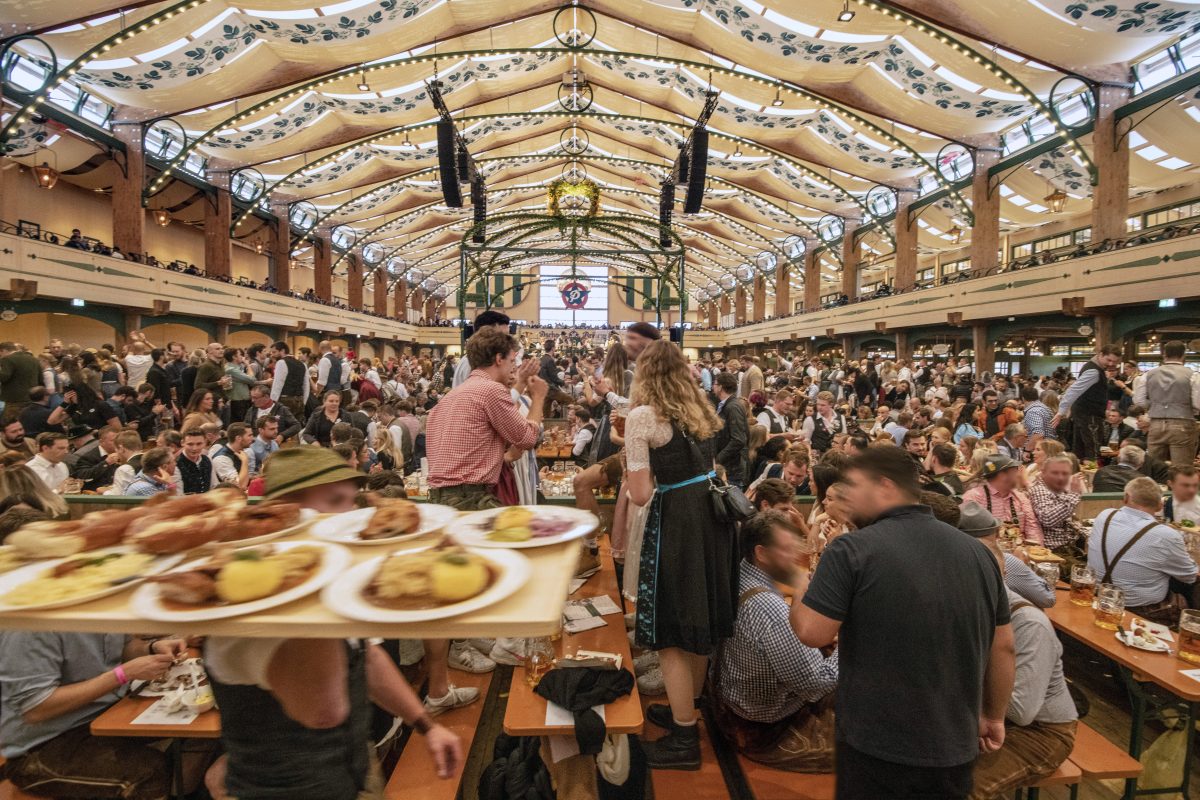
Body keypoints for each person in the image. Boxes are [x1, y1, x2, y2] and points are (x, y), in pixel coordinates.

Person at [204, 447, 463, 800]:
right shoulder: (253, 602)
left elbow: (366, 658)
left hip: (351, 771)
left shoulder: (323, 584)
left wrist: (425, 725)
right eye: (338, 499)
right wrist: (325, 583)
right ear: (290, 511)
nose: (354, 514)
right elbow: (323, 711)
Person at [791, 447, 1014, 799]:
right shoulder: (980, 555)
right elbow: (1004, 646)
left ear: (884, 486)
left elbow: (810, 631)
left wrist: (800, 578)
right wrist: (994, 715)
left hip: (876, 740)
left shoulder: (851, 550)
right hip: (954, 739)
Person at [626, 339, 737, 770]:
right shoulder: (701, 409)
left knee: (672, 627)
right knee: (701, 615)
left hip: (678, 520)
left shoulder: (643, 416)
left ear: (644, 374)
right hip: (713, 516)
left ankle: (685, 739)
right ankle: (684, 708)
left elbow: (639, 495)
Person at [711, 510, 837, 772]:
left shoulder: (739, 571)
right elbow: (816, 684)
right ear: (761, 553)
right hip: (766, 727)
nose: (795, 557)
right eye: (787, 549)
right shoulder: (769, 610)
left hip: (731, 703)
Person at [0, 631, 189, 800]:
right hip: (40, 748)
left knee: (188, 728)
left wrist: (151, 648)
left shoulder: (99, 609)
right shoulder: (30, 629)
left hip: (99, 717)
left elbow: (121, 650)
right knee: (148, 771)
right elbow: (36, 708)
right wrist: (123, 674)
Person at [965, 528, 1077, 799]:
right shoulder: (968, 609)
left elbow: (1021, 710)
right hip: (983, 721)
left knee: (958, 787)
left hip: (1040, 733)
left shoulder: (1028, 623)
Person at [426, 329, 546, 510]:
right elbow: (527, 439)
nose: (514, 368)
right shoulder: (491, 390)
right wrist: (538, 398)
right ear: (499, 359)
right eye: (512, 361)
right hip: (469, 498)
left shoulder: (448, 399)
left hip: (439, 498)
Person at [1087, 476, 1199, 625]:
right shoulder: (1166, 535)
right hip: (1141, 609)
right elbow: (1190, 576)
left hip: (1097, 595)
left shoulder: (1104, 516)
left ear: (1126, 498)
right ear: (1160, 506)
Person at [956, 503, 1055, 608]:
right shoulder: (1007, 561)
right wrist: (1024, 566)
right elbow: (1048, 600)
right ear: (998, 533)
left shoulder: (948, 561)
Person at [1053, 344, 1124, 460]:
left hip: (1084, 416)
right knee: (1093, 453)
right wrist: (1061, 411)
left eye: (1115, 362)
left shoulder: (1094, 368)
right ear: (1100, 355)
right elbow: (1073, 390)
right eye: (1109, 360)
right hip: (1090, 418)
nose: (1111, 364)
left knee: (1081, 453)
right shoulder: (1094, 371)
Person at [962, 455, 1044, 545]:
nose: (1019, 475)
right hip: (987, 552)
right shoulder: (973, 498)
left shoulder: (1021, 498)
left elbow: (1032, 528)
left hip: (1018, 551)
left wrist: (1037, 551)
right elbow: (966, 533)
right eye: (1015, 471)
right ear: (1003, 475)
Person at [1028, 456, 1087, 558]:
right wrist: (1074, 494)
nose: (1060, 477)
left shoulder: (1058, 487)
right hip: (1053, 551)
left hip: (1070, 546)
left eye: (1065, 473)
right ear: (1043, 472)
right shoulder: (1039, 489)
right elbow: (1047, 519)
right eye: (1055, 473)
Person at [452, 310, 511, 388]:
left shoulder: (479, 360)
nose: (507, 341)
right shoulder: (473, 363)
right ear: (485, 334)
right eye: (503, 336)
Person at [713, 371, 749, 488]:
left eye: (715, 384)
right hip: (728, 467)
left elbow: (738, 440)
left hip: (733, 469)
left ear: (721, 387)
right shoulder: (726, 405)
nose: (713, 386)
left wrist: (718, 459)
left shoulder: (733, 407)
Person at [269, 341, 311, 421]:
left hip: (286, 400)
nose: (272, 355)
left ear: (282, 351)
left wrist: (273, 404)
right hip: (300, 400)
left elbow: (277, 385)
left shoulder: (281, 362)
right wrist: (304, 401)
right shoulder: (303, 364)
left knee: (283, 425)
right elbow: (306, 385)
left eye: (274, 352)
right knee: (297, 426)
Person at [0, 342, 42, 416]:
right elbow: (40, 379)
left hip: (15, 400)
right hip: (33, 398)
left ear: (3, 350)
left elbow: (4, 377)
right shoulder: (33, 359)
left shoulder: (7, 359)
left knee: (10, 424)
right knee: (28, 422)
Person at [213, 422, 254, 489]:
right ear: (238, 438)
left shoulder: (242, 452)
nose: (252, 439)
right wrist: (245, 462)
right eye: (249, 435)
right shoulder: (221, 459)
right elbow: (239, 486)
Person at [177, 428, 217, 494]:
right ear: (182, 443)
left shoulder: (207, 460)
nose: (194, 448)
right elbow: (178, 494)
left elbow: (214, 486)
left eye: (199, 444)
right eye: (190, 444)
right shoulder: (176, 463)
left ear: (205, 442)